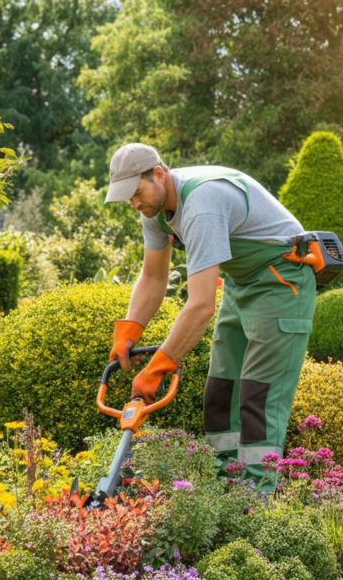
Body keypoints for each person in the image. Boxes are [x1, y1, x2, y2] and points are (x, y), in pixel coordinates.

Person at [103, 143, 315, 488]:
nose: (134, 203)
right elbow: (154, 276)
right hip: (241, 283)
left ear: (158, 174)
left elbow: (200, 306)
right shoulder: (154, 212)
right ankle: (225, 486)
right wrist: (129, 330)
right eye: (127, 197)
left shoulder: (202, 204)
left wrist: (156, 368)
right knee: (220, 391)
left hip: (282, 280)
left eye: (136, 192)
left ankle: (259, 498)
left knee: (257, 394)